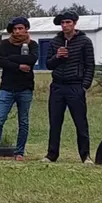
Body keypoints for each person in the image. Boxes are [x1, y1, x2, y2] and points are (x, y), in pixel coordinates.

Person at [43, 11, 95, 164]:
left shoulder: (85, 41)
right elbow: (48, 64)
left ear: (75, 23)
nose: (65, 26)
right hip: (58, 86)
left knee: (80, 123)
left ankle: (85, 156)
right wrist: (57, 56)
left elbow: (89, 65)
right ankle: (51, 154)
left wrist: (84, 86)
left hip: (75, 86)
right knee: (55, 122)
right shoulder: (54, 42)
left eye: (68, 22)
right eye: (63, 23)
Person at [0, 16, 38, 161]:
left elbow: (32, 59)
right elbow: (1, 61)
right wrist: (18, 66)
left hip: (25, 88)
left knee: (23, 122)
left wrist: (11, 59)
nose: (17, 32)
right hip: (7, 88)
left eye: (20, 28)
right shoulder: (5, 44)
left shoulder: (33, 45)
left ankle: (19, 152)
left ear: (26, 29)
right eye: (15, 29)